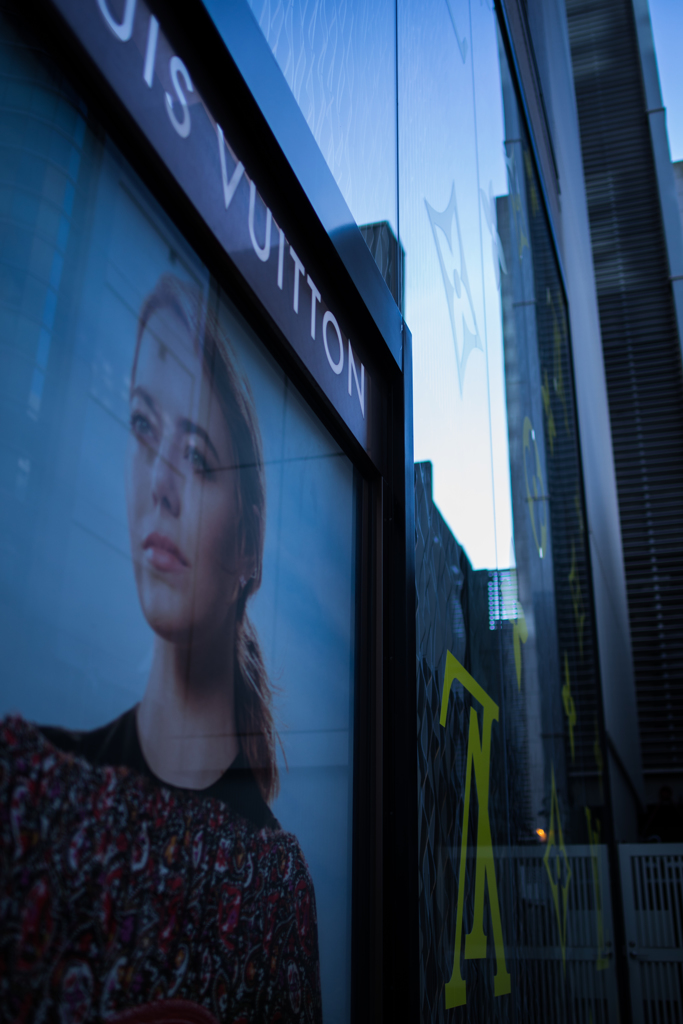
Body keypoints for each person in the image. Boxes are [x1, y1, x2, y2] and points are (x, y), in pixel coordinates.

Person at [0, 275, 323, 1023]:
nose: (160, 485)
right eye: (143, 427)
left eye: (200, 459)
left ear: (247, 544)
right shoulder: (29, 787)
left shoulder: (274, 887)